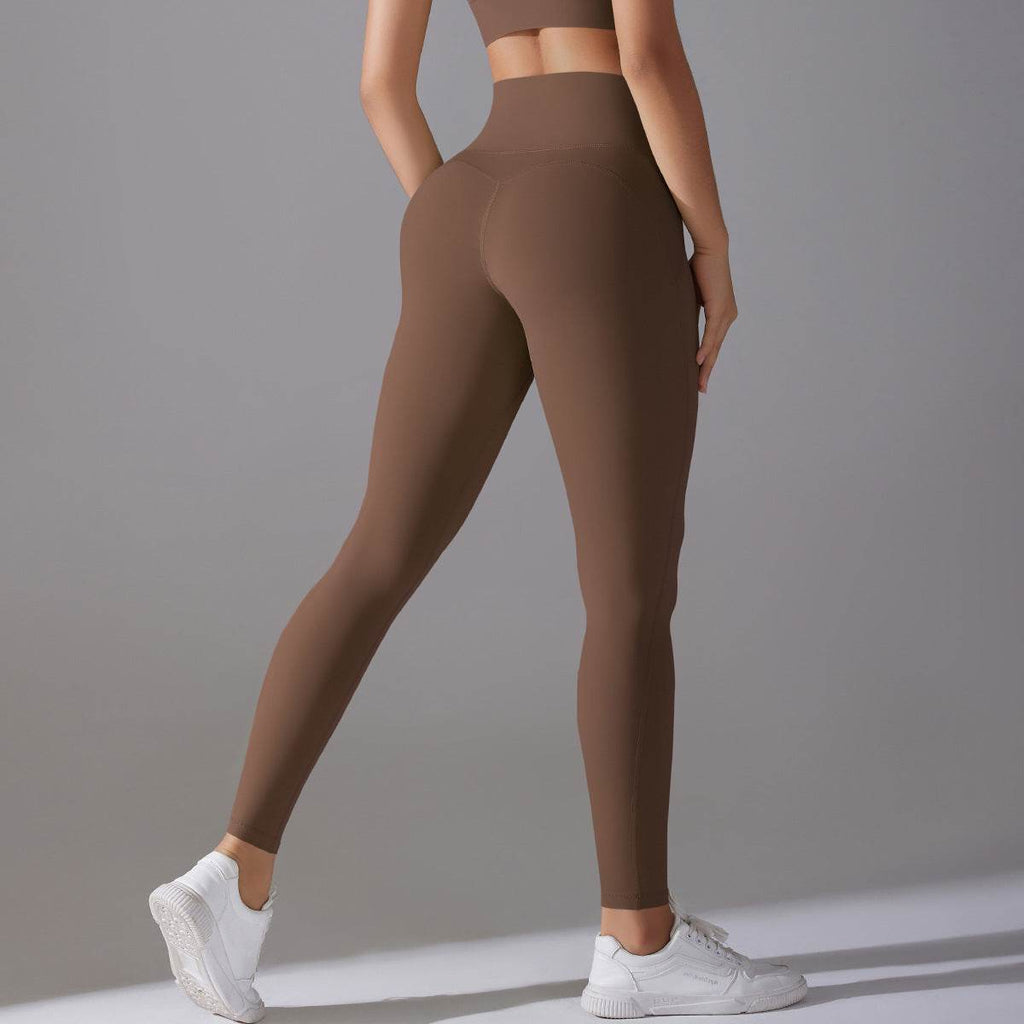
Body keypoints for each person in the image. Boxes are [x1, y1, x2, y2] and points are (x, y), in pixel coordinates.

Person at [148, 1, 806, 1018]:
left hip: (461, 203)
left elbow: (381, 84)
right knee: (627, 589)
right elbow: (644, 55)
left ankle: (232, 874)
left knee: (376, 553)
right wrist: (711, 244)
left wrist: (467, 229)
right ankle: (638, 939)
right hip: (597, 195)